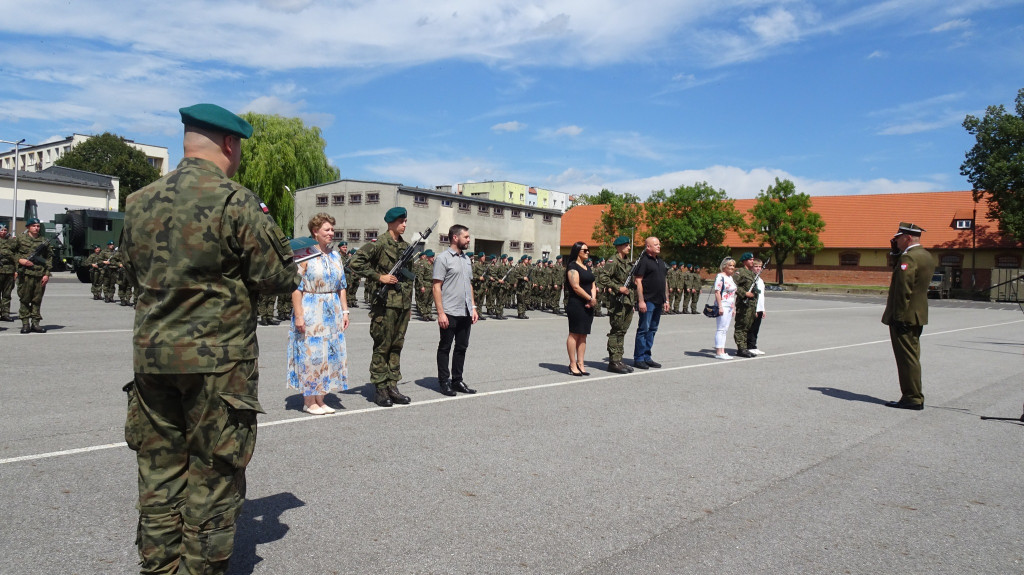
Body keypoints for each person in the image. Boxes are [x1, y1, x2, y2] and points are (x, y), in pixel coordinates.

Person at [119, 103, 299, 574]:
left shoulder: (138, 201)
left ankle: (158, 567)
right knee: (213, 474)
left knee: (159, 473)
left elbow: (131, 271)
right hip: (217, 364)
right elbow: (277, 277)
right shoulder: (234, 200)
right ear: (229, 144)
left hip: (153, 359)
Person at [351, 206, 416, 408]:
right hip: (385, 305)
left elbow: (409, 279)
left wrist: (408, 306)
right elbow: (355, 262)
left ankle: (392, 386)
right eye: (401, 221)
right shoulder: (378, 244)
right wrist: (380, 277)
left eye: (405, 221)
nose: (404, 224)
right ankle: (380, 388)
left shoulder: (406, 247)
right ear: (391, 222)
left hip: (401, 306)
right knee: (383, 346)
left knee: (397, 345)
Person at [288, 213, 350, 415]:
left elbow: (342, 285)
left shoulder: (335, 255)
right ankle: (309, 401)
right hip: (311, 307)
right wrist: (299, 315)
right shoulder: (303, 255)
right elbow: (296, 287)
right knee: (311, 355)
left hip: (332, 309)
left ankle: (321, 398)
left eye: (332, 229)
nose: (331, 233)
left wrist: (345, 310)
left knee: (329, 354)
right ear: (315, 231)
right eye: (327, 229)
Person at [882, 222, 936, 411]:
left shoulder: (910, 258)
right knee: (911, 356)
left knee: (906, 358)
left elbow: (903, 289)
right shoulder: (925, 256)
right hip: (916, 314)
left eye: (897, 238)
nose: (895, 241)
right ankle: (913, 395)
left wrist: (898, 316)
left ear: (907, 237)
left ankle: (912, 397)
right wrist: (896, 255)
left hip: (905, 315)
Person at [432, 224, 479, 396]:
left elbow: (469, 285)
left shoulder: (466, 259)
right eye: (466, 237)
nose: (468, 240)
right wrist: (441, 313)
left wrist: (473, 307)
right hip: (449, 311)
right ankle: (444, 382)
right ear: (455, 237)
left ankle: (457, 380)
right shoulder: (443, 258)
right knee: (445, 347)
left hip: (465, 311)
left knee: (462, 347)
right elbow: (436, 287)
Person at [599, 236, 636, 374]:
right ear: (619, 246)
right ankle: (613, 362)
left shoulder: (628, 262)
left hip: (628, 301)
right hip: (617, 301)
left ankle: (619, 359)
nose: (629, 247)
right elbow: (603, 277)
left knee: (622, 331)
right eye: (627, 245)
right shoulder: (613, 261)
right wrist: (617, 287)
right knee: (616, 331)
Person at [632, 237, 669, 369]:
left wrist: (666, 299)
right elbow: (638, 281)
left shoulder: (660, 261)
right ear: (648, 247)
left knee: (652, 329)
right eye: (655, 244)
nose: (659, 246)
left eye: (659, 244)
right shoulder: (644, 261)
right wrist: (641, 301)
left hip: (659, 301)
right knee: (643, 329)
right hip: (648, 301)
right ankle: (639, 358)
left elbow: (664, 281)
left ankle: (647, 356)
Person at [12, 217, 53, 333]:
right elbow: (11, 253)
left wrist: (47, 274)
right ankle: (25, 324)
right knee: (24, 299)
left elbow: (49, 258)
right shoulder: (19, 239)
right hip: (25, 274)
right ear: (28, 227)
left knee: (37, 299)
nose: (36, 228)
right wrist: (20, 260)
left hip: (39, 274)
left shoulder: (44, 241)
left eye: (38, 226)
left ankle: (35, 323)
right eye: (34, 226)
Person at [564, 242, 597, 376]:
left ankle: (580, 363)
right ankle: (572, 364)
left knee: (583, 334)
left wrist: (593, 298)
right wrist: (589, 298)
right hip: (577, 304)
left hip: (589, 304)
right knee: (574, 333)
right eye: (585, 250)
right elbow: (576, 287)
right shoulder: (572, 266)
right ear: (577, 251)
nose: (588, 252)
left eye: (588, 250)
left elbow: (593, 284)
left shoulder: (587, 267)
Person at [732, 252, 759, 358]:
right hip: (743, 304)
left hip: (751, 305)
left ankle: (745, 347)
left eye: (753, 259)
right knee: (741, 326)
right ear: (745, 261)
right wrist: (744, 293)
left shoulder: (752, 273)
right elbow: (732, 285)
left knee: (747, 326)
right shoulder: (740, 272)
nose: (753, 261)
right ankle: (741, 349)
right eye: (750, 259)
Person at [713, 257, 738, 360]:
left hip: (730, 305)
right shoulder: (720, 276)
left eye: (733, 265)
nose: (732, 267)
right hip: (722, 304)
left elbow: (733, 294)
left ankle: (722, 350)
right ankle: (719, 351)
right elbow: (717, 292)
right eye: (730, 265)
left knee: (725, 329)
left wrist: (734, 308)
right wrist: (720, 306)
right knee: (721, 329)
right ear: (724, 266)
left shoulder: (730, 278)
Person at [747, 258, 767, 355]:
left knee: (756, 328)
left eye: (760, 266)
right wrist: (753, 309)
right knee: (750, 328)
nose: (758, 268)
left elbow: (762, 296)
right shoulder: (751, 279)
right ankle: (749, 346)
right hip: (752, 308)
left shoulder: (761, 280)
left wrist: (763, 309)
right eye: (756, 266)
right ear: (752, 267)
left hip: (759, 308)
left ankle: (754, 346)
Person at [415, 250, 436, 321]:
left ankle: (428, 314)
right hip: (425, 283)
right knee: (423, 300)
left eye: (433, 256)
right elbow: (420, 276)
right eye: (432, 257)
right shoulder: (423, 264)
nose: (433, 258)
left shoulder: (433, 264)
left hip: (432, 284)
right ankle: (424, 314)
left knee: (430, 301)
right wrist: (421, 286)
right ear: (428, 257)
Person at [0, 224, 14, 321]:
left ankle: (5, 313)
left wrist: (16, 271)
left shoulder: (11, 242)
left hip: (9, 270)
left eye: (5, 230)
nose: (4, 232)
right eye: (1, 230)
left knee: (7, 293)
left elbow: (16, 256)